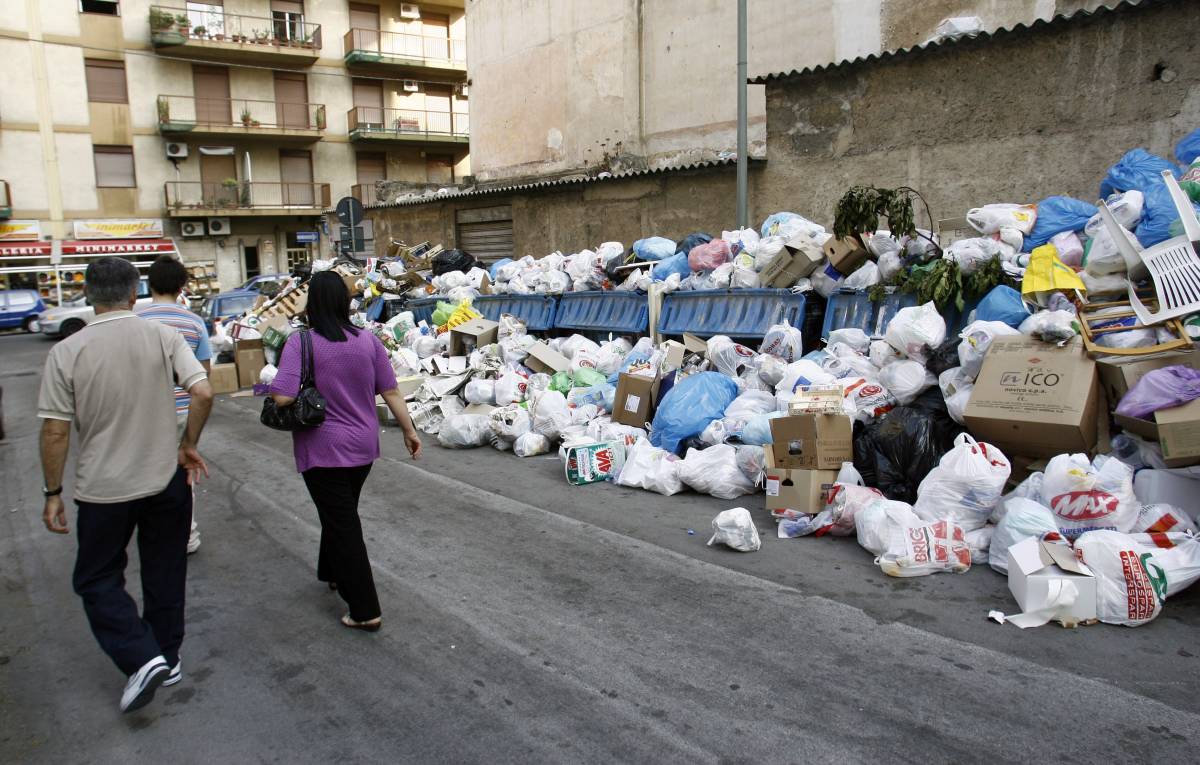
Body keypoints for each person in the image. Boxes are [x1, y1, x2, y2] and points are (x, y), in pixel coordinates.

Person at [38, 257, 214, 713]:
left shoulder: (67, 351)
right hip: (165, 478)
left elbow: (55, 431)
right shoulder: (163, 335)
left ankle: (141, 655)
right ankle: (167, 657)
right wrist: (188, 443)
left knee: (96, 578)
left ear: (89, 296)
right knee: (165, 569)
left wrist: (52, 492)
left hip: (103, 488)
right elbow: (204, 390)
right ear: (133, 294)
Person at [269, 270, 421, 632]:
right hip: (363, 446)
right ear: (344, 302)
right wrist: (409, 430)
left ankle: (365, 609)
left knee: (343, 522)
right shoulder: (368, 341)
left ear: (311, 304)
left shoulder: (300, 343)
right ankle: (332, 571)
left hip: (323, 448)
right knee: (340, 512)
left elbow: (283, 397)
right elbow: (392, 391)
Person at [136, 254, 212, 554]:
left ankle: (154, 532)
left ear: (149, 285)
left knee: (146, 470)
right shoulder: (193, 323)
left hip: (146, 411)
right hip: (184, 410)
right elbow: (204, 373)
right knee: (184, 472)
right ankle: (187, 536)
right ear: (182, 286)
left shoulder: (137, 322)